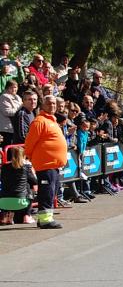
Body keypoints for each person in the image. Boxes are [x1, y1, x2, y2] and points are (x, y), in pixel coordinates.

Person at [24, 95, 68, 229]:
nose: (52, 106)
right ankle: (45, 220)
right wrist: (31, 157)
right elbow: (29, 143)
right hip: (45, 165)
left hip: (53, 165)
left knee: (51, 192)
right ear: (43, 105)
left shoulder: (53, 121)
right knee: (46, 192)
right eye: (49, 104)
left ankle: (45, 218)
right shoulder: (40, 121)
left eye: (54, 103)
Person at [0, 146, 37, 226]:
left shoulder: (4, 167)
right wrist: (32, 170)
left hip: (3, 202)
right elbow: (34, 181)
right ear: (23, 155)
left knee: (9, 186)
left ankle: (6, 217)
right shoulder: (26, 167)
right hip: (21, 202)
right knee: (28, 187)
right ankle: (27, 216)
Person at [0, 80, 22, 145]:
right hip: (7, 128)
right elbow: (7, 112)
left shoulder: (18, 97)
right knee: (8, 150)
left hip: (15, 128)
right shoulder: (4, 97)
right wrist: (21, 107)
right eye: (11, 87)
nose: (14, 89)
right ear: (7, 88)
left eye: (15, 87)